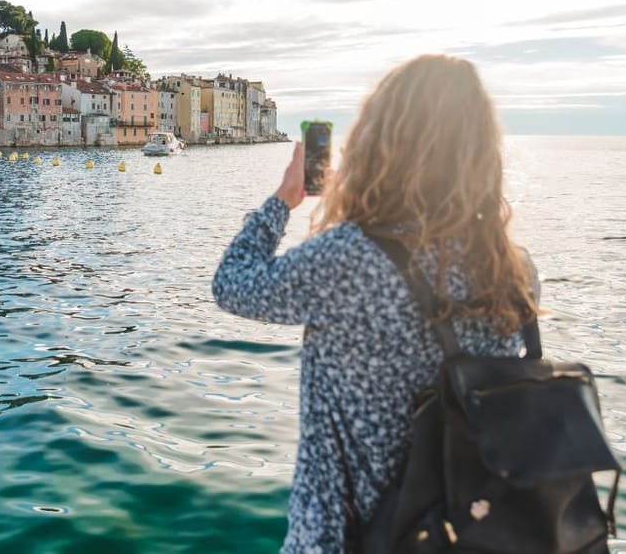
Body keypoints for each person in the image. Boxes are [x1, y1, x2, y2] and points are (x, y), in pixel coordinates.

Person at [212, 54, 539, 553]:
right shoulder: (513, 270)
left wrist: (283, 199)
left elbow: (233, 284)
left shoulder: (352, 259)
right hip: (470, 533)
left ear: (382, 144)